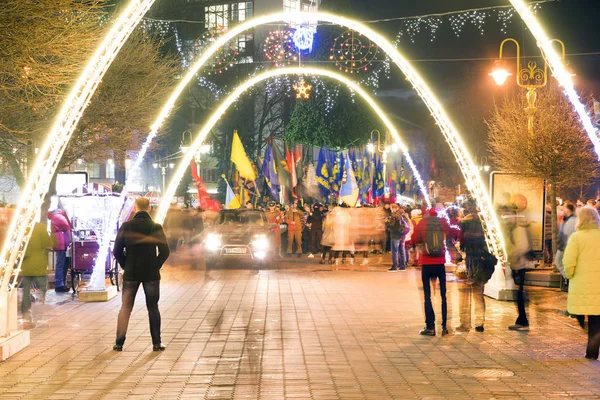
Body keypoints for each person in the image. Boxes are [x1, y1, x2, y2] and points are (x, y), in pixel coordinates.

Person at [113, 197, 170, 352]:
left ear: (135, 208)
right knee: (153, 307)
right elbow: (165, 251)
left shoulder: (126, 226)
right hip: (151, 273)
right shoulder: (156, 226)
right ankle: (156, 343)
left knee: (125, 308)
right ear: (149, 208)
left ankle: (119, 343)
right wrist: (155, 265)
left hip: (131, 273)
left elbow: (116, 251)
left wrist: (126, 265)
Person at [562, 206, 600, 360]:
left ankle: (591, 350)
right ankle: (592, 352)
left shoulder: (577, 238)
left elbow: (569, 260)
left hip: (582, 283)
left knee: (580, 312)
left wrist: (569, 275)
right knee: (596, 320)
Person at [414, 208, 451, 336]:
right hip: (440, 262)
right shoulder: (443, 222)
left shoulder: (422, 223)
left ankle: (430, 327)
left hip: (426, 262)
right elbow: (452, 234)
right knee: (443, 295)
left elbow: (415, 239)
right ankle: (444, 326)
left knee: (427, 295)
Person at [457, 201, 489, 333]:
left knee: (464, 295)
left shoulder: (463, 223)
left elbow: (460, 242)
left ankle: (465, 323)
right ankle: (480, 323)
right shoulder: (483, 223)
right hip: (480, 261)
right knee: (478, 293)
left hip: (468, 260)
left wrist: (460, 257)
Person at [20, 213, 53, 323]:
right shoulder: (39, 227)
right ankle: (38, 312)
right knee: (42, 288)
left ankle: (26, 314)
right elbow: (47, 243)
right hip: (38, 262)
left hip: (26, 264)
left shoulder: (22, 228)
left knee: (26, 291)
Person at [47, 209, 72, 293]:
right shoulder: (58, 217)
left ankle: (61, 283)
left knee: (62, 264)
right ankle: (59, 285)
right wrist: (69, 242)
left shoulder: (55, 217)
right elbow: (68, 227)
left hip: (59, 242)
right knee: (61, 264)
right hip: (62, 243)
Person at [554, 202, 577, 280]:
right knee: (559, 261)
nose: (562, 209)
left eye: (564, 207)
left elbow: (569, 233)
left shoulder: (572, 220)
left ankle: (568, 277)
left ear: (568, 209)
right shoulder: (566, 219)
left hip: (566, 245)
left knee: (558, 261)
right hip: (563, 245)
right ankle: (568, 277)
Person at [386, 204, 410, 272]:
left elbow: (391, 225)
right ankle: (403, 266)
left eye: (391, 208)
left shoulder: (394, 215)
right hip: (402, 235)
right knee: (402, 250)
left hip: (395, 235)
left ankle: (394, 267)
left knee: (395, 251)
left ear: (394, 208)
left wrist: (387, 223)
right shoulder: (403, 214)